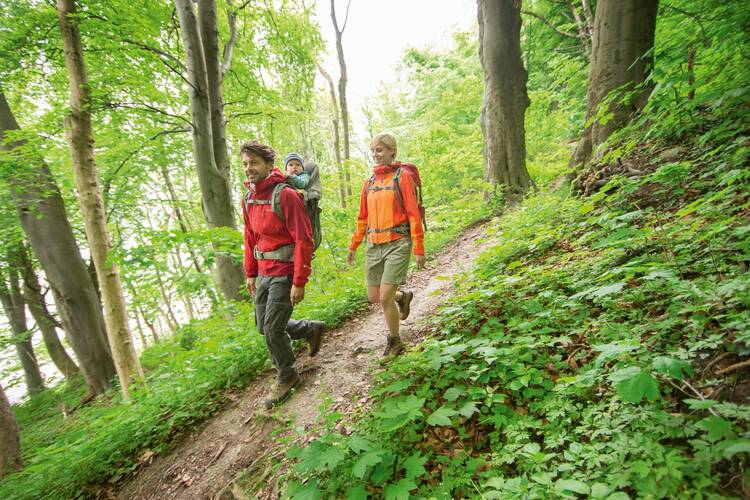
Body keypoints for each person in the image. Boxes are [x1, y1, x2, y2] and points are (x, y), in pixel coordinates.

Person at [241, 140, 325, 409]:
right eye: (245, 163)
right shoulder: (250, 198)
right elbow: (250, 236)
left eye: (254, 163)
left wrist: (300, 280)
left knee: (272, 329)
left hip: (286, 270)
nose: (249, 168)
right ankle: (309, 329)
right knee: (262, 326)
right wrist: (251, 272)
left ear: (268, 164)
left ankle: (288, 376)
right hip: (264, 271)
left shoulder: (285, 195)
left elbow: (304, 239)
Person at [347, 132, 425, 360]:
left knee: (383, 298)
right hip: (373, 245)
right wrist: (354, 245)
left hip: (398, 243)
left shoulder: (403, 178)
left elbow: (413, 215)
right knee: (374, 297)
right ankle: (402, 297)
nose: (375, 155)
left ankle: (395, 342)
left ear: (392, 151)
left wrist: (419, 247)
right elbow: (363, 218)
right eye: (373, 151)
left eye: (379, 150)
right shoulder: (369, 182)